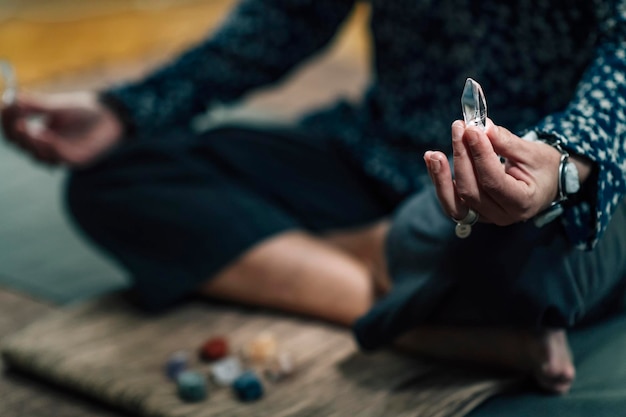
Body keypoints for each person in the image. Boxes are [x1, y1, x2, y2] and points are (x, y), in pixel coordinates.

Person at [2, 0, 625, 395]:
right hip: (379, 151)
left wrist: (564, 165)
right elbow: (290, 16)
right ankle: (426, 319)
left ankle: (395, 270)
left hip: (547, 179)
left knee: (535, 265)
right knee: (119, 180)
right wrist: (125, 109)